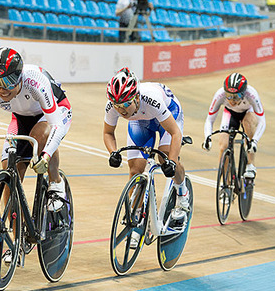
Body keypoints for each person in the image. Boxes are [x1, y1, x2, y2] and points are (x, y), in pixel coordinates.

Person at [0, 47, 73, 212]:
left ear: (19, 77)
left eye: (7, 82)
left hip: (54, 113)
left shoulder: (34, 81)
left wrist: (46, 156)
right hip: (20, 117)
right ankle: (17, 231)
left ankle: (55, 182)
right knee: (9, 170)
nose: (1, 90)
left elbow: (56, 124)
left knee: (39, 136)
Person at [103, 67, 189, 238]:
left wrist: (171, 161)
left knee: (164, 159)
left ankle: (182, 193)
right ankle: (135, 216)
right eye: (117, 106)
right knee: (135, 169)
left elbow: (175, 133)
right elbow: (108, 133)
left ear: (136, 97)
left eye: (126, 104)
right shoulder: (112, 106)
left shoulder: (152, 100)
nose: (121, 110)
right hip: (141, 121)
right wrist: (113, 152)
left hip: (167, 114)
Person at [202, 73, 265, 180]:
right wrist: (207, 137)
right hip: (230, 114)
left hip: (247, 113)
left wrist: (254, 141)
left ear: (244, 93)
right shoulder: (220, 94)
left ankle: (250, 165)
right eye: (229, 96)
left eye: (236, 97)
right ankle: (226, 184)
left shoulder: (252, 94)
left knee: (248, 124)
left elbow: (262, 121)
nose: (232, 100)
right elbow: (210, 119)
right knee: (223, 147)